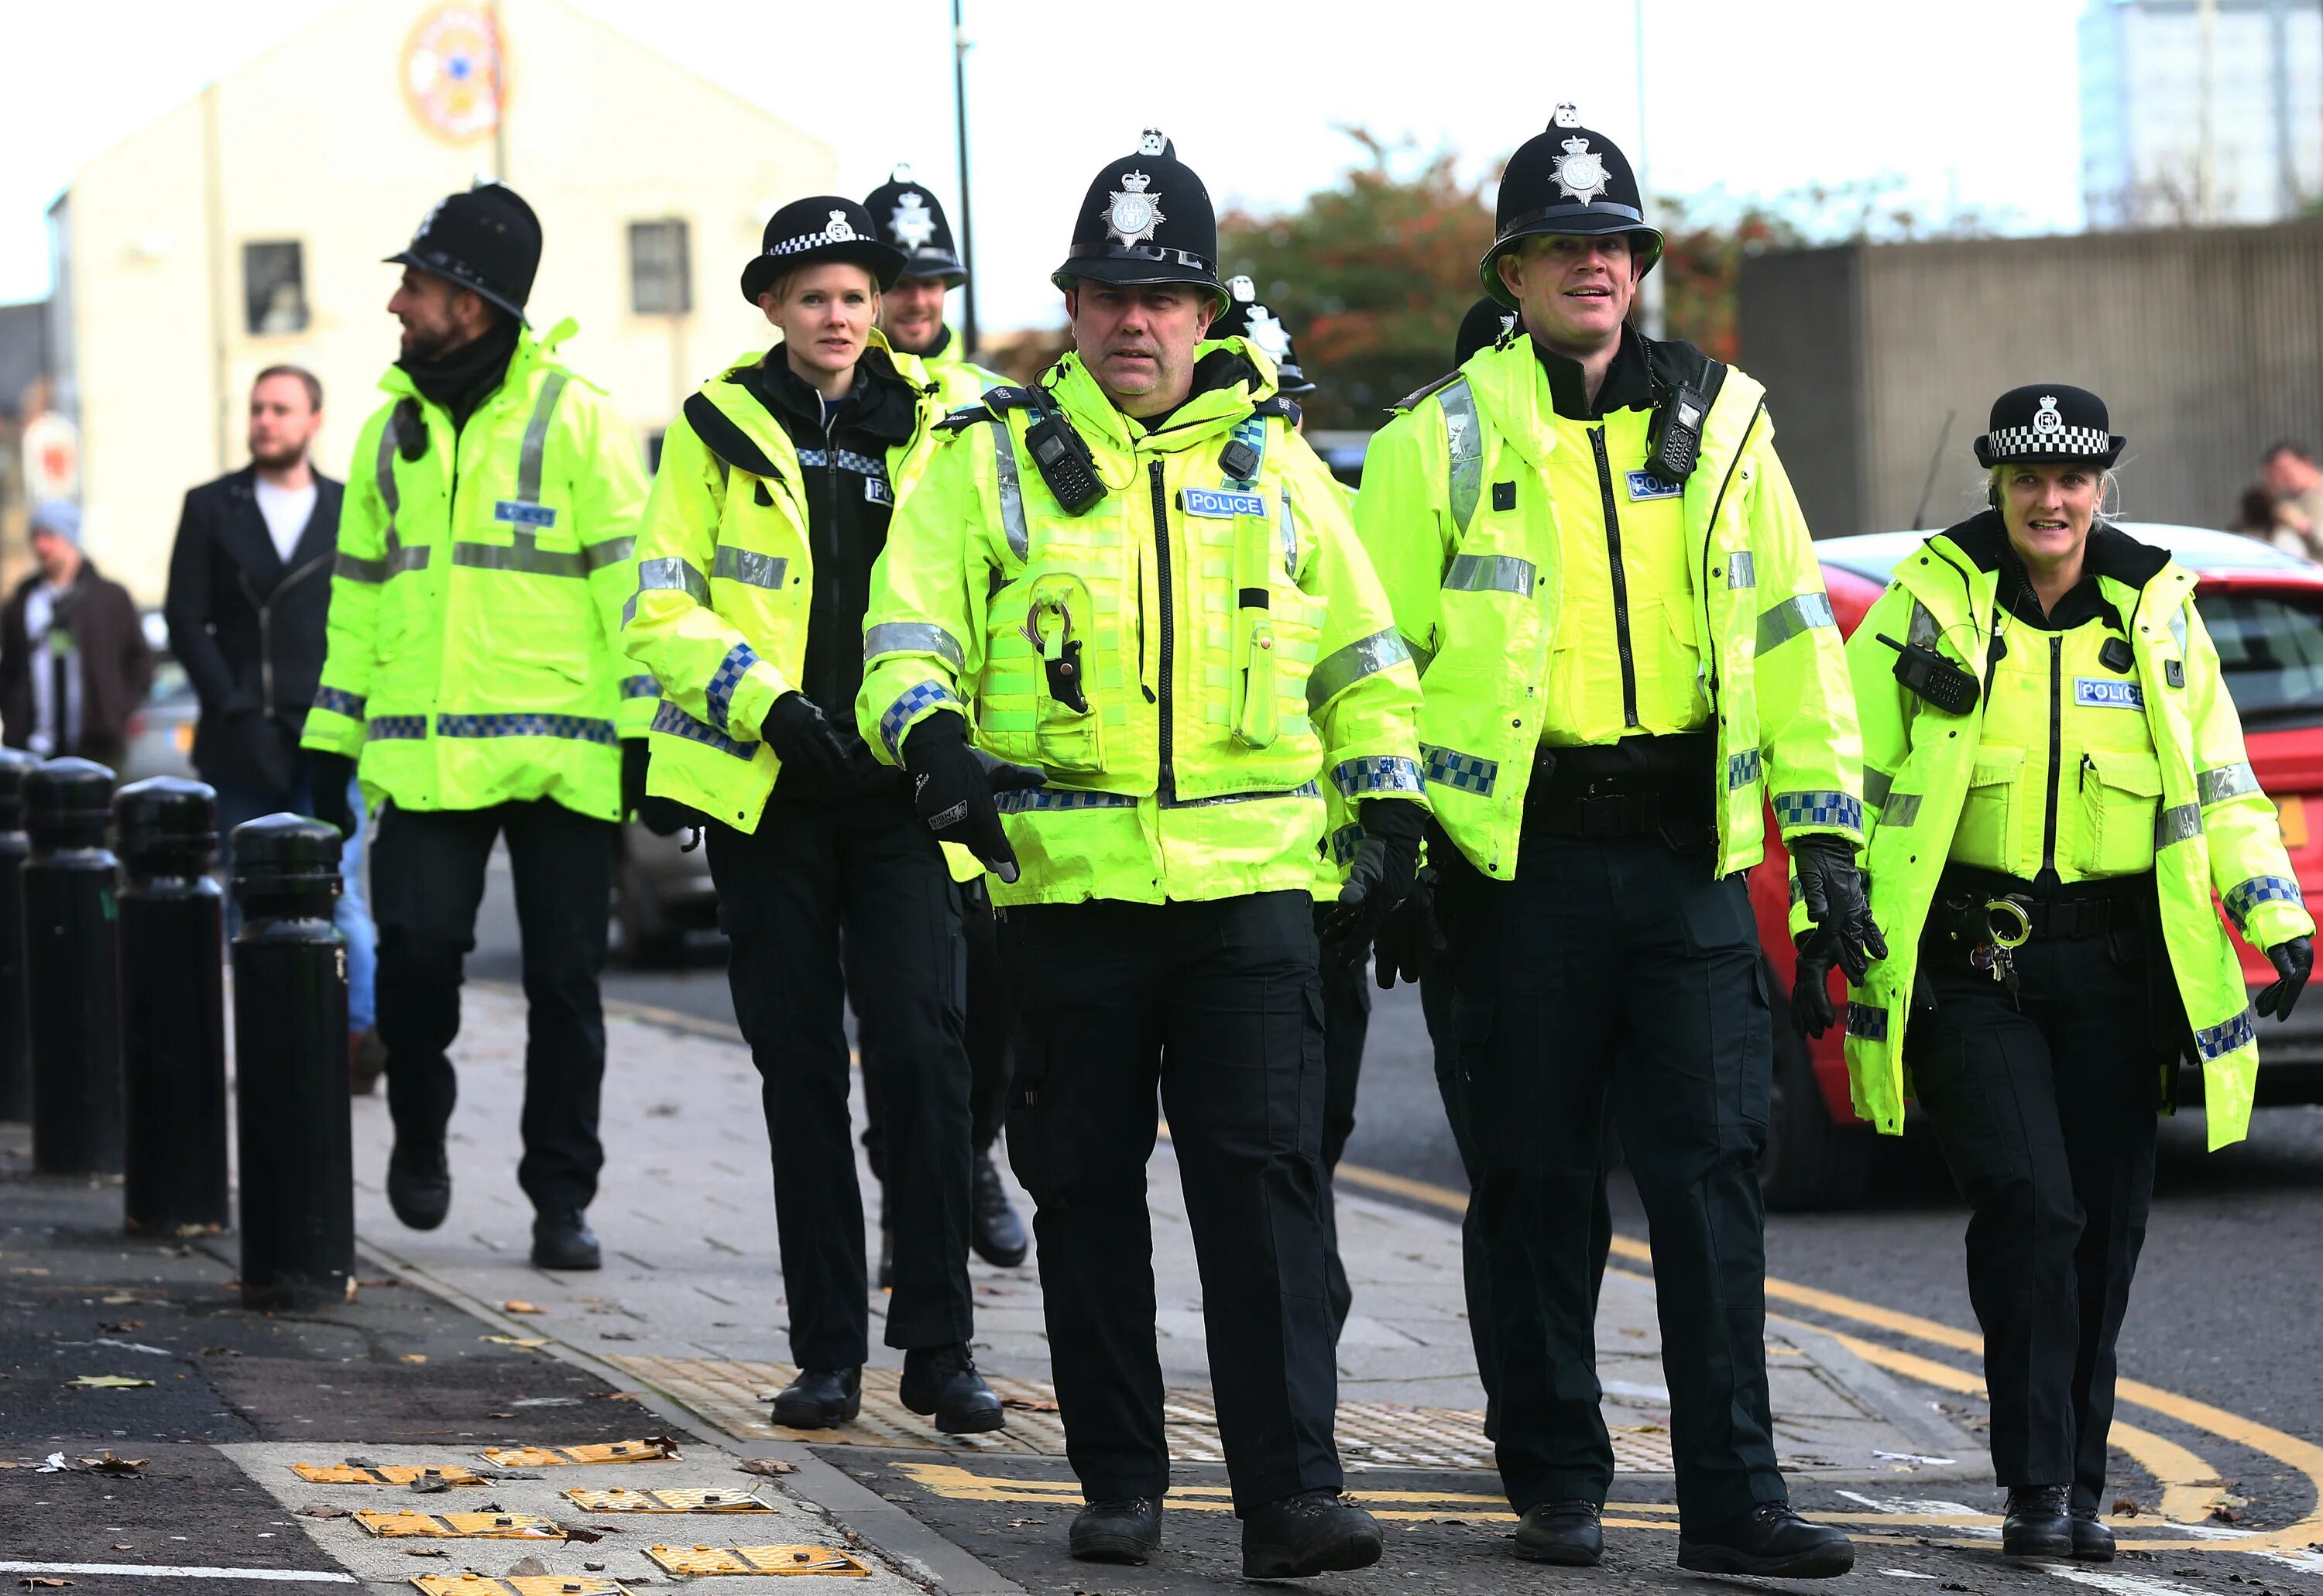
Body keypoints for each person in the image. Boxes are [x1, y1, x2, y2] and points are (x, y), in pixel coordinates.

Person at [858, 129, 1423, 1579]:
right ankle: (1119, 1476)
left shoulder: (1281, 469)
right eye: (1107, 292)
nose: (1133, 319)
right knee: (1088, 1193)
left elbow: (1365, 661)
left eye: (1163, 295)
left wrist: (1395, 808)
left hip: (1250, 903)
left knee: (1267, 1196)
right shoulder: (988, 467)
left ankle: (1292, 1496)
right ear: (1072, 306)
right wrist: (930, 743)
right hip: (1070, 905)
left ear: (1208, 314)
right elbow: (905, 635)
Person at [1354, 104, 1869, 1579]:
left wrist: (1824, 837)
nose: (1595, 267)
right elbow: (1367, 650)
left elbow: (1791, 646)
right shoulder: (1439, 436)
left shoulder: (1727, 423)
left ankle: (1734, 1501)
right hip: (1514, 871)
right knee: (1533, 1180)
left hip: (1688, 860)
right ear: (1515, 273)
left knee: (1713, 1174)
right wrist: (1389, 832)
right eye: (1563, 247)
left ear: (1641, 268)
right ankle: (1557, 1477)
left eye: (1616, 247)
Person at [1797, 386, 2314, 1563]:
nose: (2052, 498)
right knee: (2032, 1210)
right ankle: (2034, 1487)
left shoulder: (2157, 611)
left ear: (2100, 487)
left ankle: (2078, 1488)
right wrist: (1828, 910)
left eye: (2072, 478)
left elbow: (2221, 779)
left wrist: (2272, 910)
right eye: (2029, 478)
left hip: (2121, 965)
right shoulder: (1927, 604)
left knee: (2105, 1234)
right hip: (1973, 962)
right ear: (1999, 484)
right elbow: (1850, 759)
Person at [621, 195, 1000, 1436]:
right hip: (769, 791)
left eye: (856, 296)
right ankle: (827, 1352)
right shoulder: (715, 430)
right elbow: (663, 609)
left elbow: (985, 589)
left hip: (898, 799)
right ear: (772, 309)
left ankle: (939, 1346)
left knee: (921, 1060)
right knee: (798, 1077)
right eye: (813, 297)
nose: (837, 317)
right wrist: (771, 708)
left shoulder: (953, 422)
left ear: (883, 306)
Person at [301, 182, 653, 1272]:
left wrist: (644, 731)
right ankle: (417, 1123)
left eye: (415, 284)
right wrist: (329, 738)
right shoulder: (386, 434)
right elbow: (356, 597)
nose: (398, 305)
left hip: (563, 756)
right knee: (413, 963)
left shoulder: (579, 418)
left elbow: (636, 591)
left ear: (475, 299)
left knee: (565, 986)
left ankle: (561, 1198)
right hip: (425, 755)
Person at [852, 166, 1026, 1279]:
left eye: (935, 284)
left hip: (967, 732)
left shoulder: (993, 404)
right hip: (866, 734)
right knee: (908, 1014)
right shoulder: (841, 394)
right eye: (903, 284)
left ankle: (972, 1154)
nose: (920, 304)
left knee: (996, 995)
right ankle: (918, 1191)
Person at [164, 366, 383, 1090]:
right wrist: (228, 700)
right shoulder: (209, 507)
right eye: (258, 408)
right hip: (240, 736)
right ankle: (265, 1036)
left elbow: (374, 618)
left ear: (314, 420)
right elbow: (184, 618)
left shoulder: (349, 509)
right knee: (246, 893)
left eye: (281, 409)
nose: (265, 420)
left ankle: (358, 1038)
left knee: (341, 893)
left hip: (329, 733)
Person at [2, 501, 152, 771]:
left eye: (50, 536)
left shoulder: (110, 598)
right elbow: (9, 666)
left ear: (70, 539)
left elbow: (141, 662)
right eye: (36, 537)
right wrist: (13, 716)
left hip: (98, 750)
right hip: (33, 749)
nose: (41, 546)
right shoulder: (21, 601)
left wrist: (116, 711)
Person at [865, 165, 1007, 407]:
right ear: (864, 293)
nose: (918, 302)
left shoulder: (1001, 400)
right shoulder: (831, 396)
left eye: (930, 284)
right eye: (900, 285)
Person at [2262, 440, 2323, 561]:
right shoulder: (2287, 503)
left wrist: (2303, 526)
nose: (2280, 480)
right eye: (2273, 475)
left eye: (2284, 470)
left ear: (2307, 464)